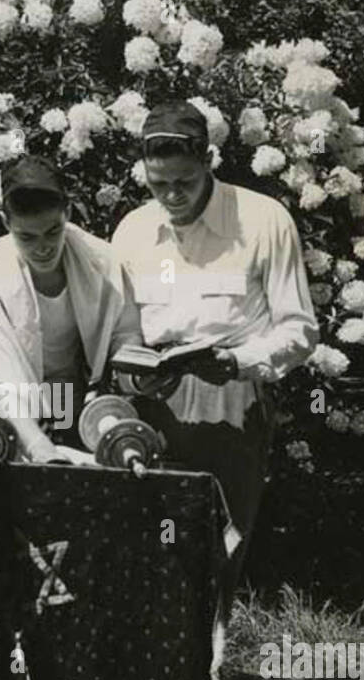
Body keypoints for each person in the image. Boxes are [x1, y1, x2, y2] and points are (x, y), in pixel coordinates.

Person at [111, 99, 318, 619]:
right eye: (159, 185)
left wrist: (237, 362)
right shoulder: (133, 230)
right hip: (149, 398)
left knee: (216, 549)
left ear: (208, 160)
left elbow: (299, 329)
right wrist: (134, 377)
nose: (173, 196)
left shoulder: (264, 220)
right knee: (145, 547)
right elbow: (121, 327)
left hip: (229, 393)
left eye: (184, 181)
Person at [0, 154, 141, 463]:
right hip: (9, 402)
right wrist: (37, 445)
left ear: (67, 213)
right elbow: (1, 378)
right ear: (6, 223)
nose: (42, 247)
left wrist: (136, 373)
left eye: (53, 232)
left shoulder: (102, 259)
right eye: (26, 237)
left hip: (68, 393)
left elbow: (124, 333)